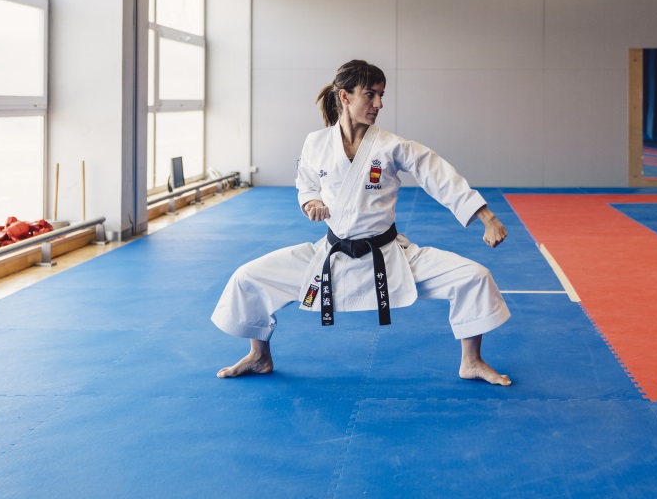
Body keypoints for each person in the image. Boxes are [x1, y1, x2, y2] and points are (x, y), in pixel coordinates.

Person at [211, 59, 512, 385]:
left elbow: (438, 175)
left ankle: (472, 361)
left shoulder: (391, 146)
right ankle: (259, 356)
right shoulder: (316, 143)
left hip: (389, 256)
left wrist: (486, 216)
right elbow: (306, 183)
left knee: (474, 276)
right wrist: (311, 202)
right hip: (331, 255)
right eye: (370, 94)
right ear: (345, 96)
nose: (379, 104)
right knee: (248, 277)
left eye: (381, 95)